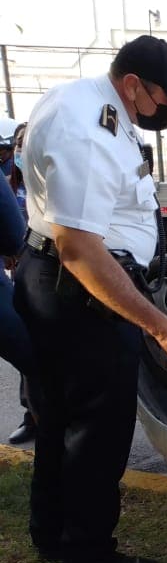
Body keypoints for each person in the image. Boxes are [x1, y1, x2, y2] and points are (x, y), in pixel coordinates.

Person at [15, 34, 167, 563]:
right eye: (163, 98)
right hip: (81, 291)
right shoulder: (89, 132)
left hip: (55, 277)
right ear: (132, 85)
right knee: (97, 429)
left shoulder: (81, 100)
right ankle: (88, 557)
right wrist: (157, 322)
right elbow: (81, 250)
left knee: (58, 416)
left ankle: (51, 530)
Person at [6, 122, 35, 445]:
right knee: (30, 350)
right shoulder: (10, 186)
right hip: (23, 279)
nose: (19, 152)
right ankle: (32, 414)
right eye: (17, 146)